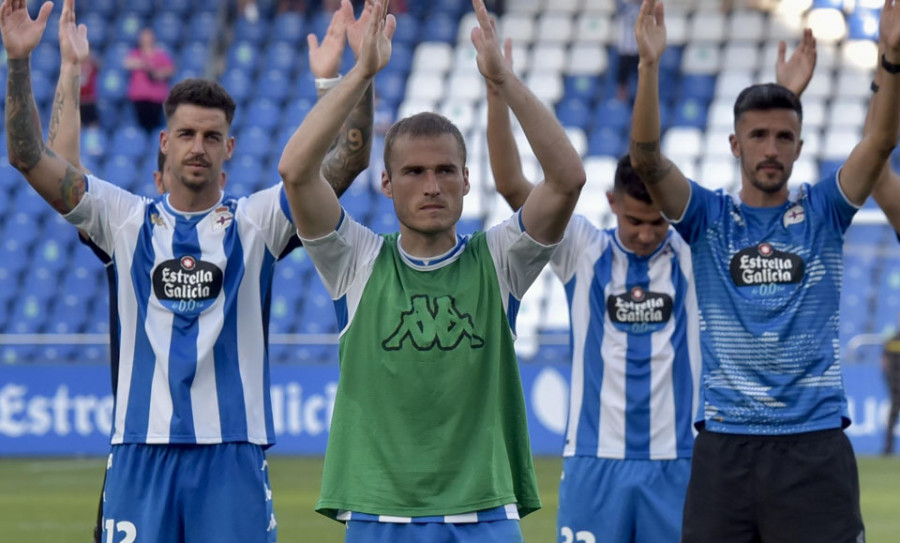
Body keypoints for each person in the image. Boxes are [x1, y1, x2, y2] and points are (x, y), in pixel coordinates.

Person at [3, 0, 374, 541]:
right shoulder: (125, 220)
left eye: (210, 136)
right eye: (186, 134)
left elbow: (348, 159)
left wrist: (350, 77)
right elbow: (29, 155)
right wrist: (21, 62)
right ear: (164, 142)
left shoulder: (258, 221)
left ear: (230, 148)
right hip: (139, 454)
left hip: (231, 458)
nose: (198, 147)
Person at [485, 31, 815, 542]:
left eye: (657, 222)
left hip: (680, 459)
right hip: (595, 460)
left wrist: (785, 93)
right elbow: (511, 185)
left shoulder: (693, 249)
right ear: (614, 203)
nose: (645, 233)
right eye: (635, 220)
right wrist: (495, 97)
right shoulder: (582, 250)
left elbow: (758, 180)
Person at [278, 0, 585, 540]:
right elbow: (295, 171)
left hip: (484, 512)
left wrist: (504, 80)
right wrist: (362, 72)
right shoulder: (357, 261)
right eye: (414, 172)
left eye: (446, 170)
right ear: (387, 183)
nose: (432, 185)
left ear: (467, 180)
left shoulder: (498, 260)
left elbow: (566, 179)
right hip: (379, 513)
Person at [629, 1, 900, 541]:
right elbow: (647, 160)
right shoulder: (708, 218)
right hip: (725, 451)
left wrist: (890, 62)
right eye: (757, 136)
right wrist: (649, 67)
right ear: (734, 145)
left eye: (783, 138)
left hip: (815, 448)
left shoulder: (824, 211)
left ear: (800, 147)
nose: (770, 149)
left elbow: (879, 144)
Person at [123, 27, 175, 133]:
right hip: (139, 97)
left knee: (154, 126)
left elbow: (170, 69)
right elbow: (127, 63)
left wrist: (159, 73)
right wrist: (143, 64)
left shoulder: (160, 54)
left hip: (156, 97)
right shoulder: (136, 53)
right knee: (141, 126)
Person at [616, 0, 642, 101]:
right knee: (623, 79)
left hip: (639, 49)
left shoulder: (645, 8)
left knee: (642, 77)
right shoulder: (625, 6)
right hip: (625, 49)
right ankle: (622, 98)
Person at [883, 321, 900, 455]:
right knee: (892, 419)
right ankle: (888, 449)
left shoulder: (892, 340)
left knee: (891, 419)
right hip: (895, 388)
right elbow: (884, 362)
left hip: (895, 386)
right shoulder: (891, 340)